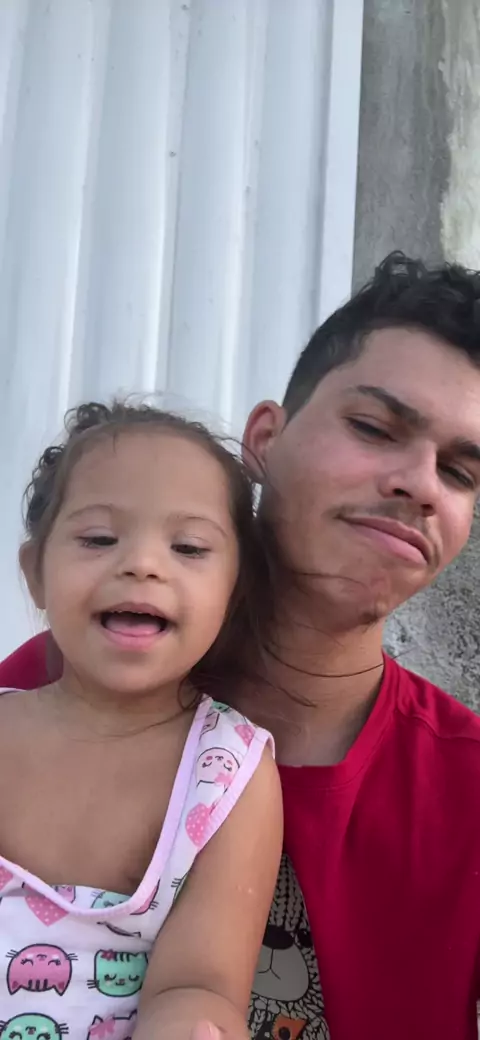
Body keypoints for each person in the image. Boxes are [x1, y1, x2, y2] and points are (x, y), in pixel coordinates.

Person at [4, 251, 480, 1040]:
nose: (420, 485)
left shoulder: (465, 795)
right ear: (265, 438)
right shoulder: (42, 694)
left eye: (460, 473)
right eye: (373, 428)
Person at [0, 402, 283, 1040]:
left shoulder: (226, 773)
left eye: (189, 548)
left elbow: (199, 985)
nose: (143, 564)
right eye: (99, 539)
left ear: (234, 595)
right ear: (35, 574)